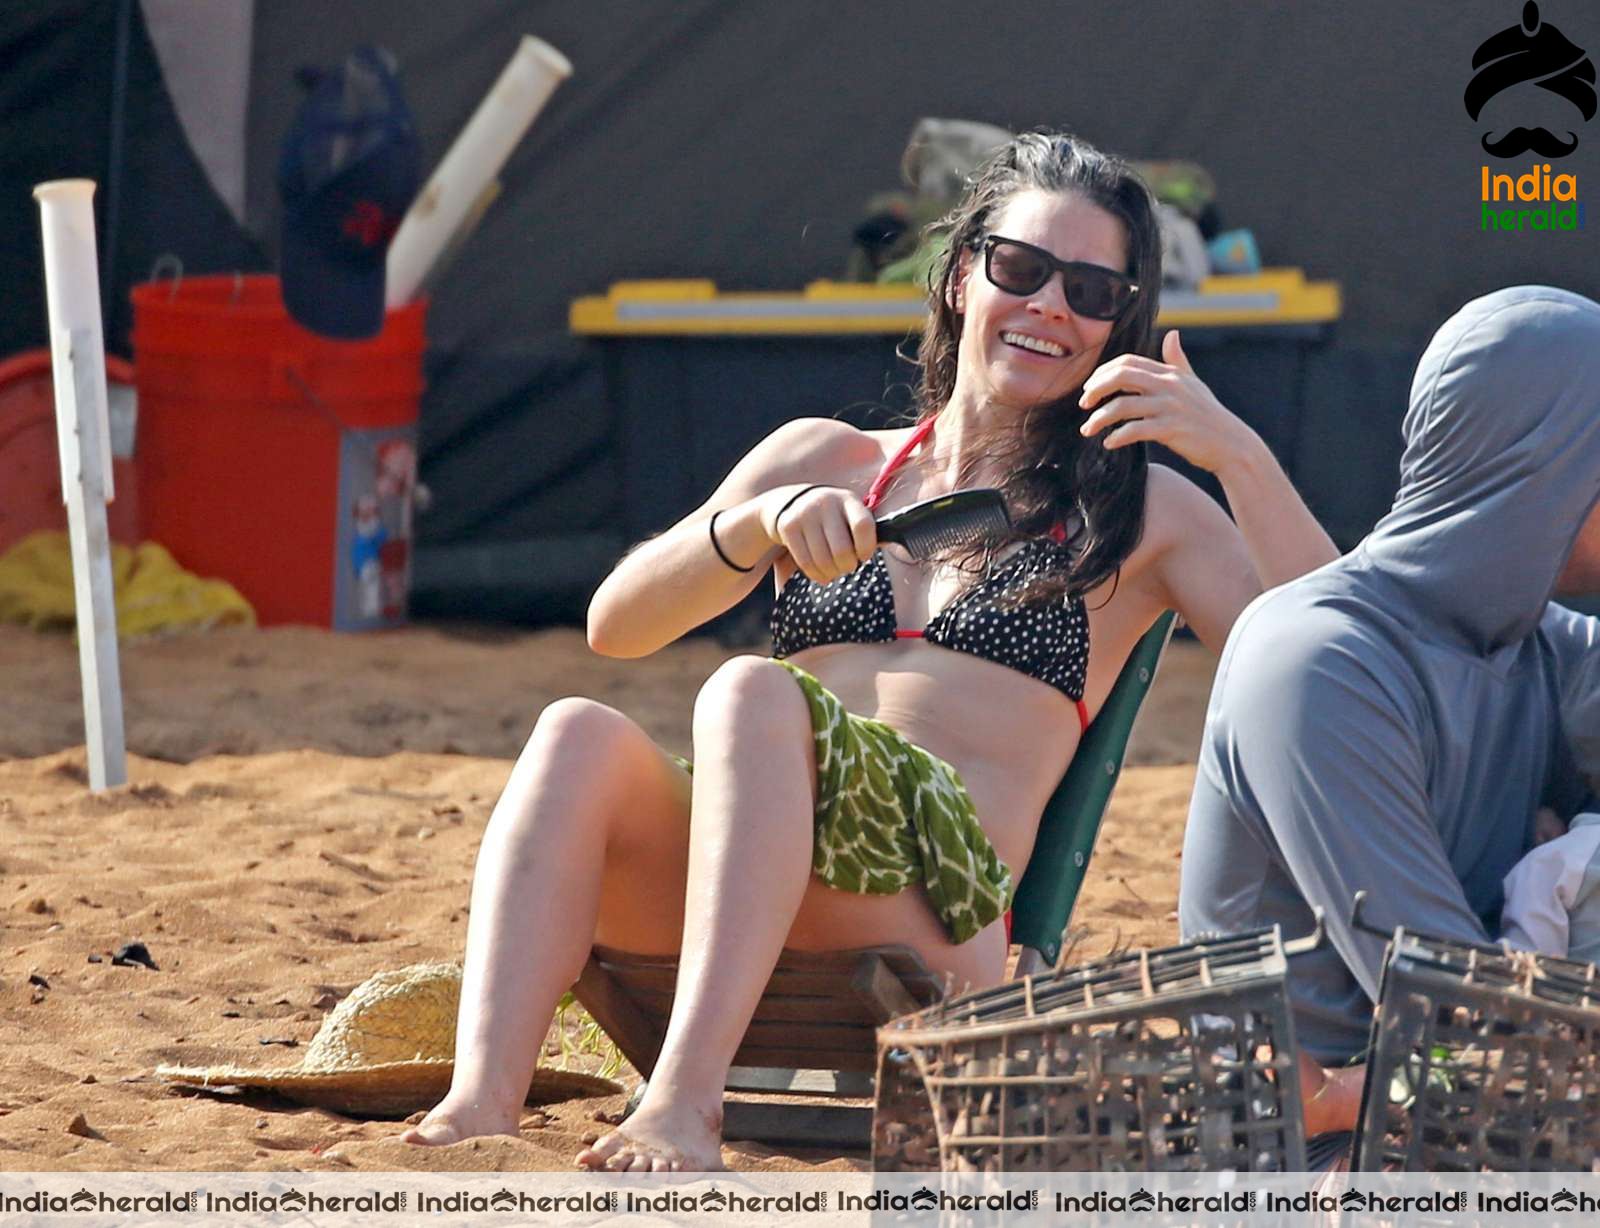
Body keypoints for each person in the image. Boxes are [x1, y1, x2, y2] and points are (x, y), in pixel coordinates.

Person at [402, 130, 1337, 1170]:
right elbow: (615, 626)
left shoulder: (1140, 510)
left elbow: (1338, 657)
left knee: (754, 692)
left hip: (934, 902)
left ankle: (682, 1099)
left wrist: (1237, 453)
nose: (1049, 308)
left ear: (1124, 320)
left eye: (1091, 290)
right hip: (743, 876)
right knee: (576, 731)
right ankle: (480, 1097)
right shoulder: (823, 458)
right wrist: (754, 526)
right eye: (1021, 271)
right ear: (958, 280)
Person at [1178, 286, 1600, 1140]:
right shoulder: (1316, 665)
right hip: (1325, 1160)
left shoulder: (1534, 646)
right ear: (1544, 470)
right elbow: (1469, 1022)